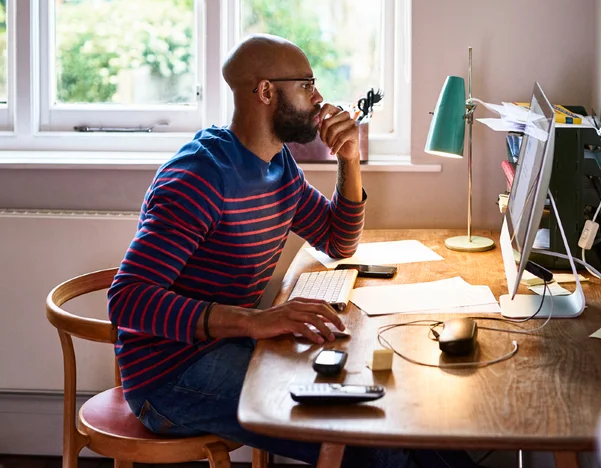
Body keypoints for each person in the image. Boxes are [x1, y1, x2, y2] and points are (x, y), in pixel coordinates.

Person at [108, 34, 478, 468]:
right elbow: (126, 300)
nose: (319, 98)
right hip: (170, 375)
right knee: (371, 440)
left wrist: (349, 158)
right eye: (306, 85)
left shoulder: (277, 165)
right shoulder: (200, 178)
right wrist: (256, 321)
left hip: (230, 346)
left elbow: (338, 241)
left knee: (404, 412)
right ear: (266, 91)